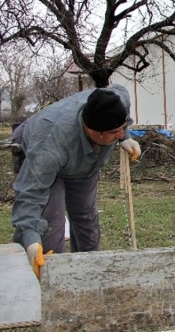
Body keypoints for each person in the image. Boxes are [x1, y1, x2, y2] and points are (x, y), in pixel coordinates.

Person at [10, 85, 141, 279]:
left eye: (122, 128)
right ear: (93, 130)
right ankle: (56, 278)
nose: (120, 134)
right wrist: (29, 238)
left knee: (86, 217)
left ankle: (88, 274)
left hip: (84, 164)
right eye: (115, 131)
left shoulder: (115, 100)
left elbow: (120, 91)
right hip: (44, 151)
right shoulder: (48, 148)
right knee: (51, 225)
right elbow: (30, 194)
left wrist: (125, 136)